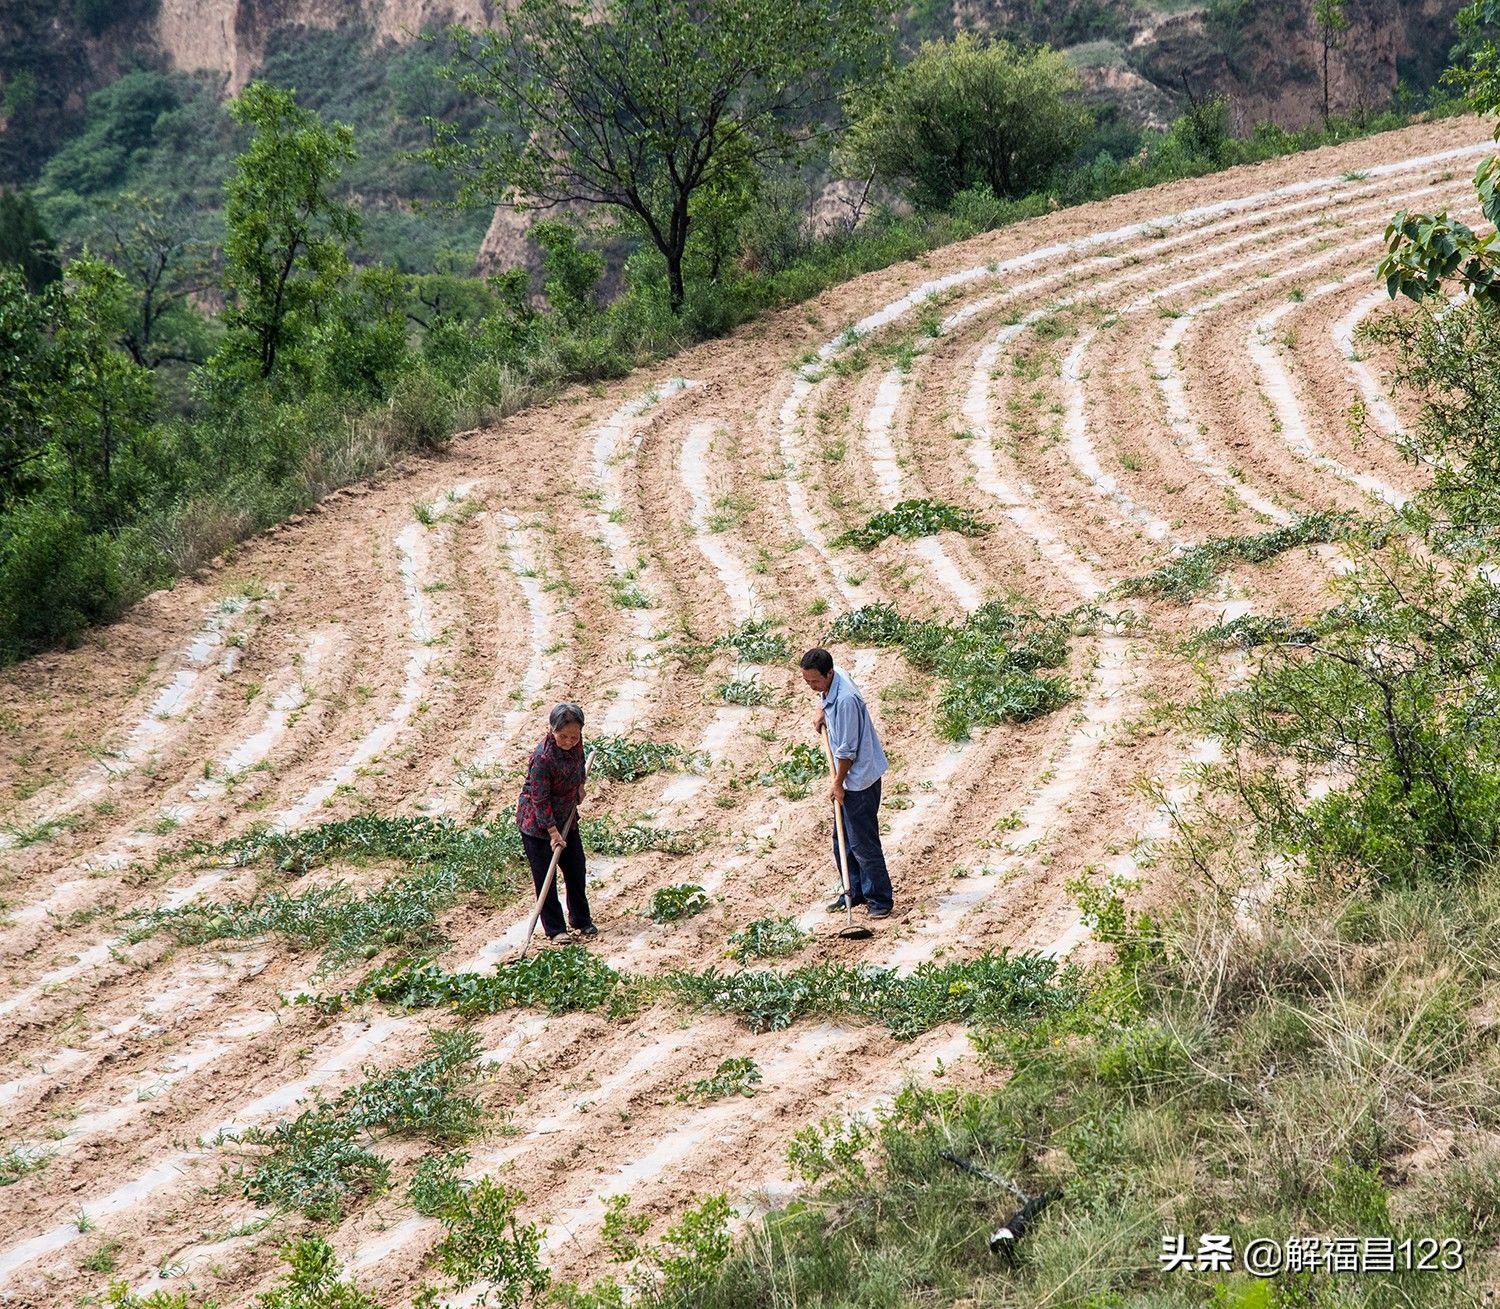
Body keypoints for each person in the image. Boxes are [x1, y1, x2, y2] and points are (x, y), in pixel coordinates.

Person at [800, 648, 893, 919]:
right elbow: (823, 694)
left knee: (863, 843)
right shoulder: (835, 675)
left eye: (815, 682)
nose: (812, 686)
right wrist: (820, 708)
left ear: (829, 674)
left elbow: (847, 753)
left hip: (858, 780)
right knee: (841, 840)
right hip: (850, 776)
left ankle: (880, 900)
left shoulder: (846, 701)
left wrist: (838, 784)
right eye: (807, 682)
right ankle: (853, 891)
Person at [516, 702, 597, 942]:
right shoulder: (542, 758)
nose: (569, 741)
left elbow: (579, 764)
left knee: (576, 869)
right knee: (546, 878)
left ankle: (581, 920)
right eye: (564, 736)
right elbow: (539, 800)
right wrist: (552, 832)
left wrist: (580, 786)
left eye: (574, 736)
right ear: (552, 730)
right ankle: (555, 929)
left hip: (566, 817)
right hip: (538, 824)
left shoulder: (576, 742)